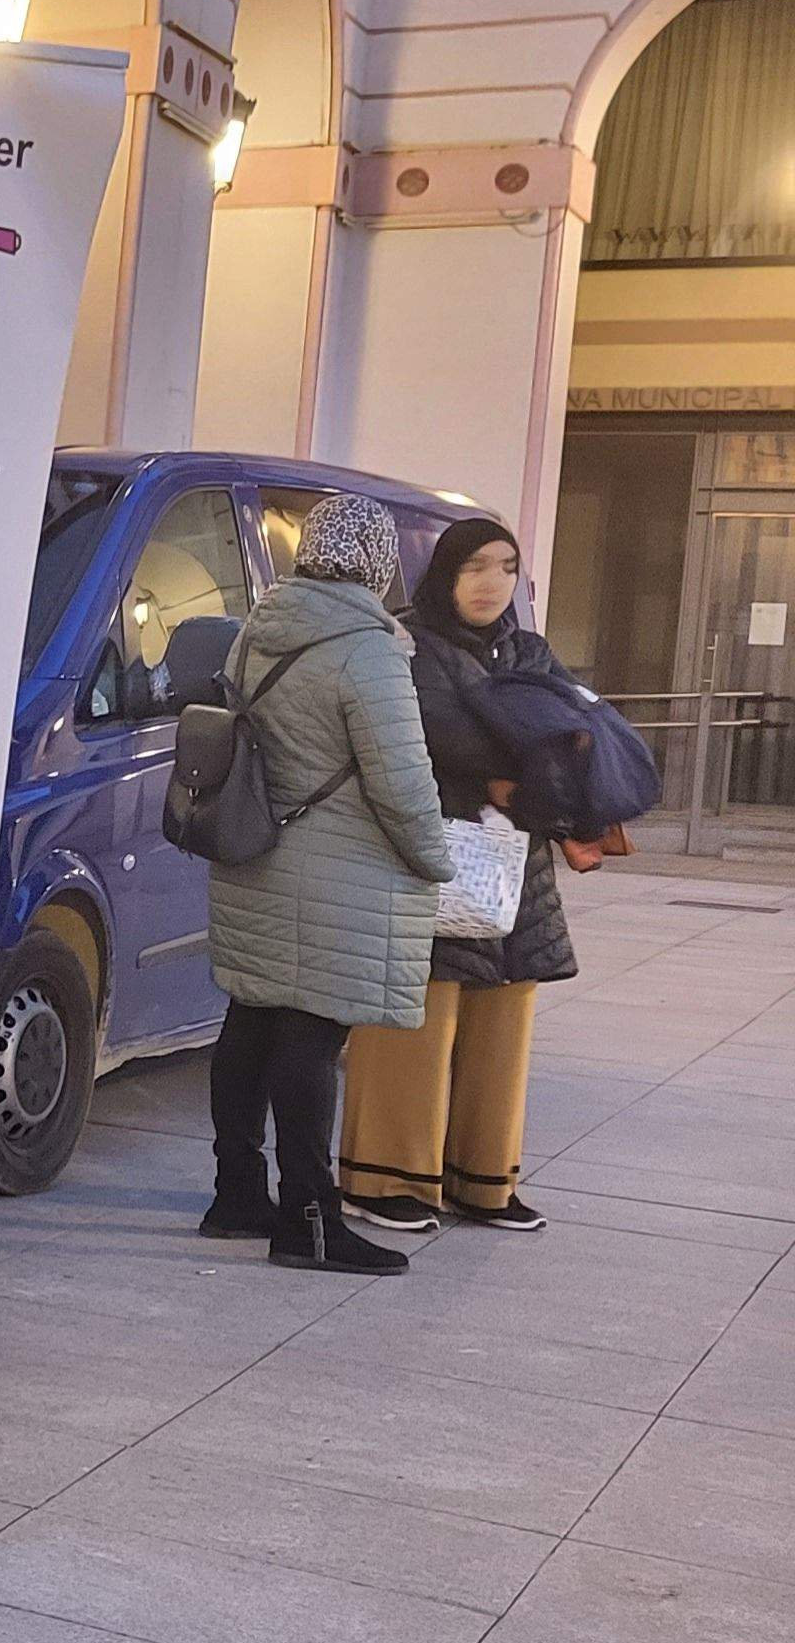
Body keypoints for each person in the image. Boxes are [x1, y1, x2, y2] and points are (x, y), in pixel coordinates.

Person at [201, 495, 457, 1274]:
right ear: (380, 562)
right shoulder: (367, 647)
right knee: (311, 1037)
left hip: (256, 853)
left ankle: (238, 1194)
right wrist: (438, 859)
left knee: (251, 1021)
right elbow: (403, 783)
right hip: (338, 870)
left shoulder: (262, 624)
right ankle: (309, 1222)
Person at [340, 520, 571, 1233]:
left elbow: (569, 739)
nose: (490, 582)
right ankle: (385, 1181)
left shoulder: (527, 650)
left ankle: (483, 1180)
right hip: (428, 857)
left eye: (505, 567)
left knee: (503, 1023)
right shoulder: (407, 644)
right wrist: (525, 748)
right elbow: (440, 734)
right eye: (474, 566)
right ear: (443, 572)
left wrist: (532, 758)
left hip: (515, 868)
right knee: (415, 1016)